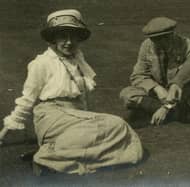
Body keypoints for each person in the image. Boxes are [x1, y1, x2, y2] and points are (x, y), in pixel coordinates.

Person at [0, 9, 143, 175]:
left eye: (73, 37)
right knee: (117, 125)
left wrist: (91, 121)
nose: (69, 42)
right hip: (52, 118)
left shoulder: (78, 60)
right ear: (53, 38)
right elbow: (27, 100)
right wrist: (3, 133)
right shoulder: (42, 63)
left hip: (74, 118)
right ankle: (48, 157)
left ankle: (58, 151)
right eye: (63, 36)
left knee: (114, 128)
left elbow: (83, 98)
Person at [120, 17, 190, 126]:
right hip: (159, 94)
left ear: (171, 35)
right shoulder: (147, 45)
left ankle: (163, 112)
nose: (156, 43)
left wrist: (166, 107)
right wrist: (156, 88)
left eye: (161, 38)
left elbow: (188, 76)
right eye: (153, 39)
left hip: (183, 90)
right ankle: (177, 114)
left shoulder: (187, 46)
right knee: (127, 94)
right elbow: (138, 75)